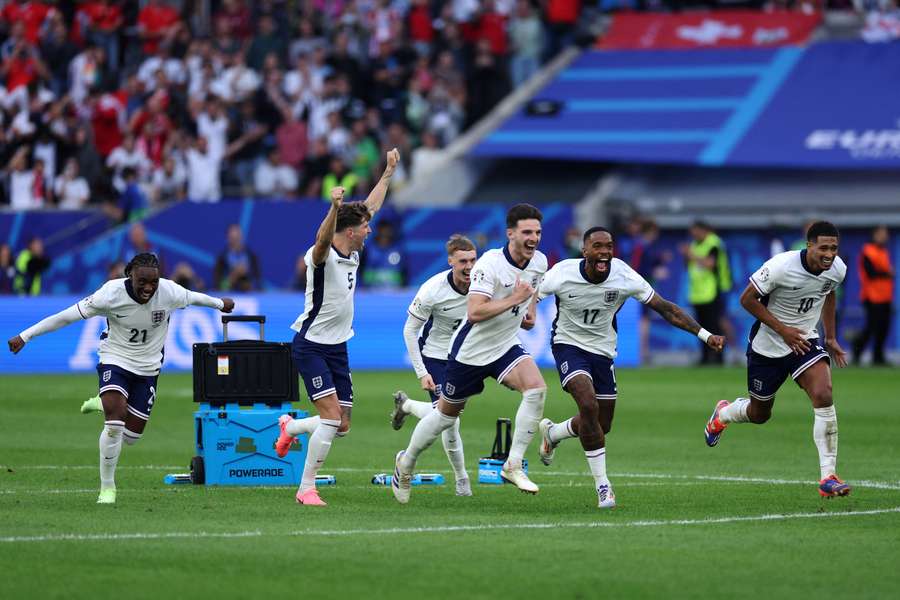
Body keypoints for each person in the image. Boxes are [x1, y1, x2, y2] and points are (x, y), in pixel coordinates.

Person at [8, 253, 234, 503]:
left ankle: (102, 401)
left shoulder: (168, 292)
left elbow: (193, 297)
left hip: (148, 368)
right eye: (142, 282)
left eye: (154, 282)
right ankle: (108, 488)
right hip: (115, 358)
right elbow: (65, 316)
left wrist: (219, 303)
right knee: (115, 424)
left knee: (131, 437)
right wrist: (26, 336)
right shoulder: (110, 294)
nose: (149, 288)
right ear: (130, 276)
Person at [536, 227, 725, 508]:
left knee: (601, 425)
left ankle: (554, 433)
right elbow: (529, 297)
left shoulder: (623, 275)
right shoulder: (562, 273)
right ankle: (603, 487)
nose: (604, 252)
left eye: (609, 246)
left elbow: (666, 308)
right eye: (597, 246)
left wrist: (704, 335)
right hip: (568, 346)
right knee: (588, 406)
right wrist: (521, 314)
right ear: (584, 250)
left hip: (602, 352)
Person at [392, 203, 548, 504]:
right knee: (445, 419)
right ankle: (407, 462)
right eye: (527, 232)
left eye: (538, 232)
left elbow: (532, 296)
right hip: (468, 351)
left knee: (537, 389)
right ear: (510, 233)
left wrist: (528, 312)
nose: (534, 238)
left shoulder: (539, 261)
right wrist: (515, 298)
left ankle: (513, 465)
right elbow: (475, 312)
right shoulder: (489, 265)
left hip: (504, 345)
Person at [274, 148, 400, 506]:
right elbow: (320, 241)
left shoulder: (354, 250)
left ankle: (291, 427)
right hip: (310, 344)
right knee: (330, 417)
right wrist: (332, 207)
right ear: (348, 230)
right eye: (364, 227)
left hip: (338, 345)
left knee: (341, 424)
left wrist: (388, 172)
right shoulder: (323, 255)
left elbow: (371, 206)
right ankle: (306, 489)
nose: (369, 229)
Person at [703, 221, 851, 499]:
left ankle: (828, 476)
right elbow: (746, 299)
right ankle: (723, 413)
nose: (829, 254)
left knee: (823, 393)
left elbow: (829, 293)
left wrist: (830, 337)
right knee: (760, 415)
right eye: (823, 248)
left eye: (834, 248)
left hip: (805, 341)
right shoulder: (782, 266)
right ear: (809, 245)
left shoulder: (837, 269)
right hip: (766, 348)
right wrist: (782, 330)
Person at [389, 234, 478, 497]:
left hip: (465, 358)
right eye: (463, 261)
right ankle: (461, 479)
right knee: (450, 419)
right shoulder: (432, 289)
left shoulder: (483, 284)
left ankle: (406, 406)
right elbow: (409, 331)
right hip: (436, 357)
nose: (469, 267)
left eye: (473, 260)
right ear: (450, 261)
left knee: (446, 415)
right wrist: (422, 373)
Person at [682, 221, 731, 365]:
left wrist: (691, 255)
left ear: (703, 230)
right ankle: (705, 358)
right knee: (700, 328)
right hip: (698, 293)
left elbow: (710, 264)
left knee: (715, 325)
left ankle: (719, 357)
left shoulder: (714, 243)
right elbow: (688, 266)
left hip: (713, 290)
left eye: (695, 231)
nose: (693, 234)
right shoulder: (694, 244)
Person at [853, 225, 894, 366]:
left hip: (885, 297)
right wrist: (888, 273)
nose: (885, 237)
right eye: (882, 234)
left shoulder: (884, 251)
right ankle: (856, 351)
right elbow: (871, 273)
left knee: (884, 328)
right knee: (871, 328)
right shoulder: (867, 251)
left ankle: (878, 357)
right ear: (875, 234)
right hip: (871, 297)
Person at [212, 224, 261, 292]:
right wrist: (234, 275)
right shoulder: (221, 259)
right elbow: (219, 287)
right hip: (230, 297)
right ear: (228, 238)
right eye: (233, 238)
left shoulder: (251, 257)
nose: (236, 241)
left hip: (250, 297)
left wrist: (247, 278)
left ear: (241, 237)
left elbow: (259, 284)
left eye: (237, 238)